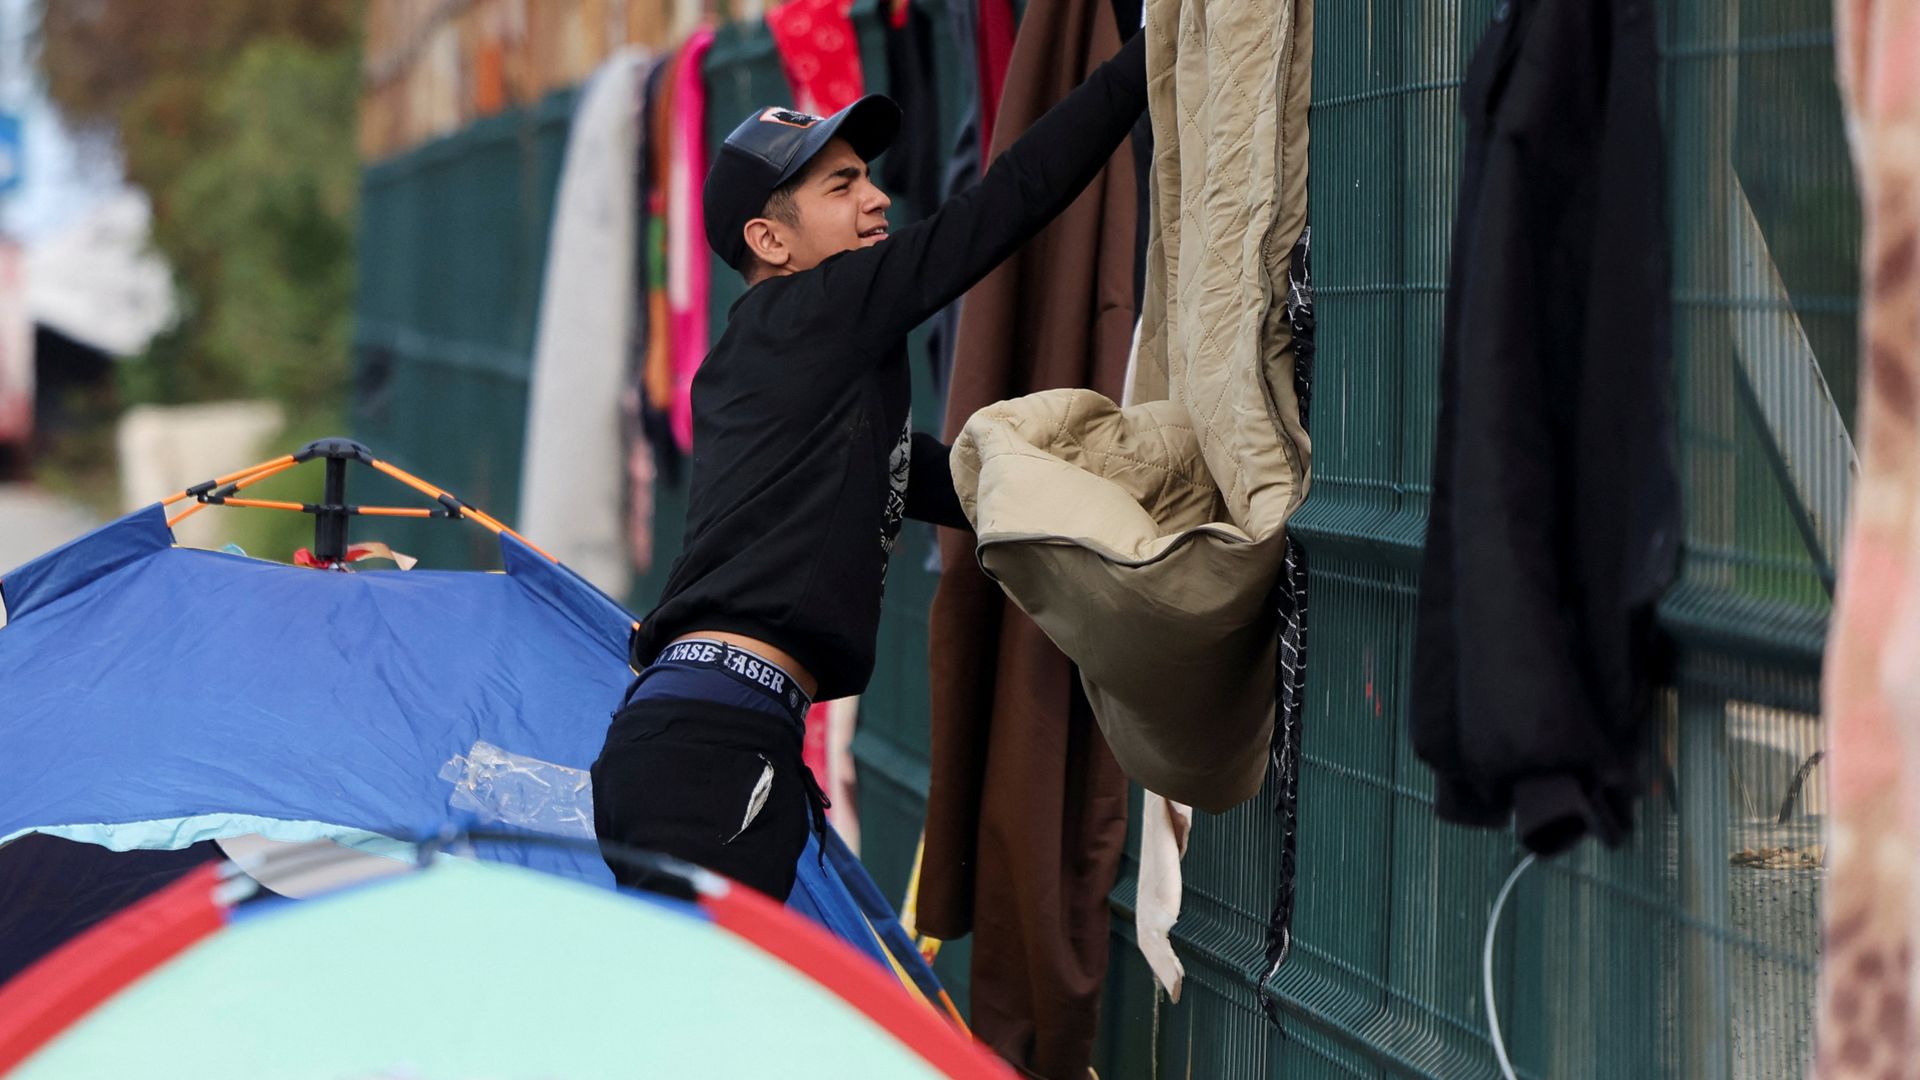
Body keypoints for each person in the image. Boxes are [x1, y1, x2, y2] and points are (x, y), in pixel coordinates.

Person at [590, 29, 1148, 900]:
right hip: (715, 746)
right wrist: (1150, 58)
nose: (878, 200)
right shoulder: (824, 307)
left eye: (869, 176)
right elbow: (1005, 204)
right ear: (770, 241)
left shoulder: (761, 357)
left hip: (691, 735)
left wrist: (1118, 492)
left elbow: (919, 475)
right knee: (709, 1025)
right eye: (842, 185)